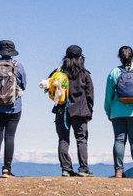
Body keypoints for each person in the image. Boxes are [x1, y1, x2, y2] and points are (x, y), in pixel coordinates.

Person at [104, 46, 133, 179]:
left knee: (119, 140)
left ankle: (118, 171)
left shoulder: (114, 73)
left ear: (119, 57)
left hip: (117, 111)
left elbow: (108, 95)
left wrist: (108, 111)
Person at [0, 40, 27, 179]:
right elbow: (24, 85)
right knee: (10, 137)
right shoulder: (18, 66)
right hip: (14, 107)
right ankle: (6, 170)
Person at [52, 45, 95, 177]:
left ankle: (66, 168)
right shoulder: (85, 75)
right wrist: (89, 112)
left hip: (61, 110)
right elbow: (90, 95)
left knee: (63, 139)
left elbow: (50, 90)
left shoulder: (58, 73)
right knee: (81, 140)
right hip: (80, 112)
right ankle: (83, 169)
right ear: (81, 58)